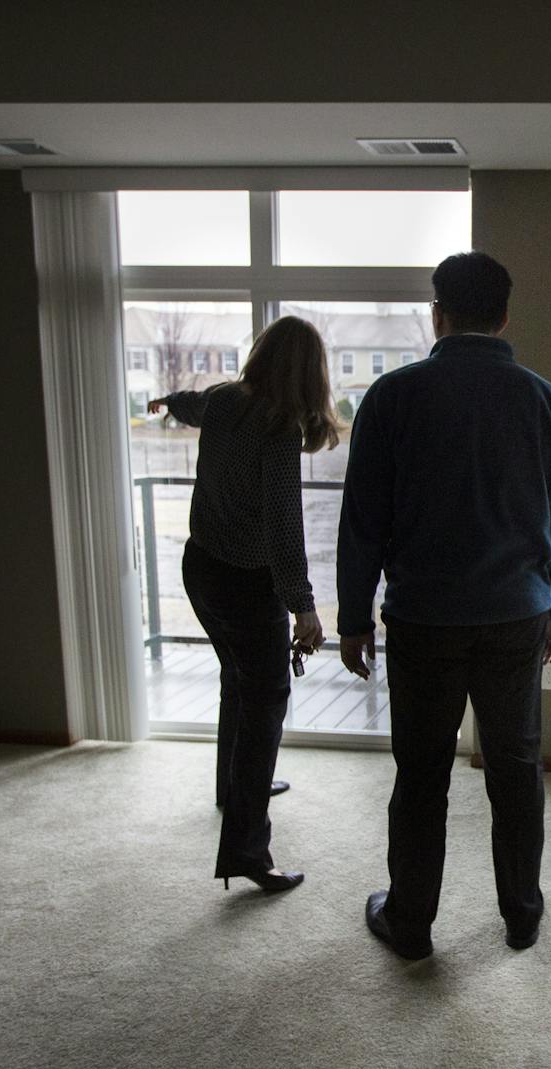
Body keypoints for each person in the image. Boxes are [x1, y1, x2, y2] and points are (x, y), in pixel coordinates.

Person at [337, 251, 551, 959]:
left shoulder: (392, 397)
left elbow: (363, 522)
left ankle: (410, 920)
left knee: (422, 774)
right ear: (505, 316)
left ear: (436, 314)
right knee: (515, 767)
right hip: (517, 616)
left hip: (423, 617)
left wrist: (354, 617)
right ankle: (522, 914)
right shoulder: (544, 401)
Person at [148, 315, 338, 894]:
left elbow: (193, 404)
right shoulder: (279, 428)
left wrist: (165, 400)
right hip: (243, 582)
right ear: (309, 374)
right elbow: (284, 526)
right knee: (267, 700)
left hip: (200, 569)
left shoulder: (228, 400)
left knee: (239, 678)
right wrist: (304, 606)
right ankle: (248, 851)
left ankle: (233, 790)